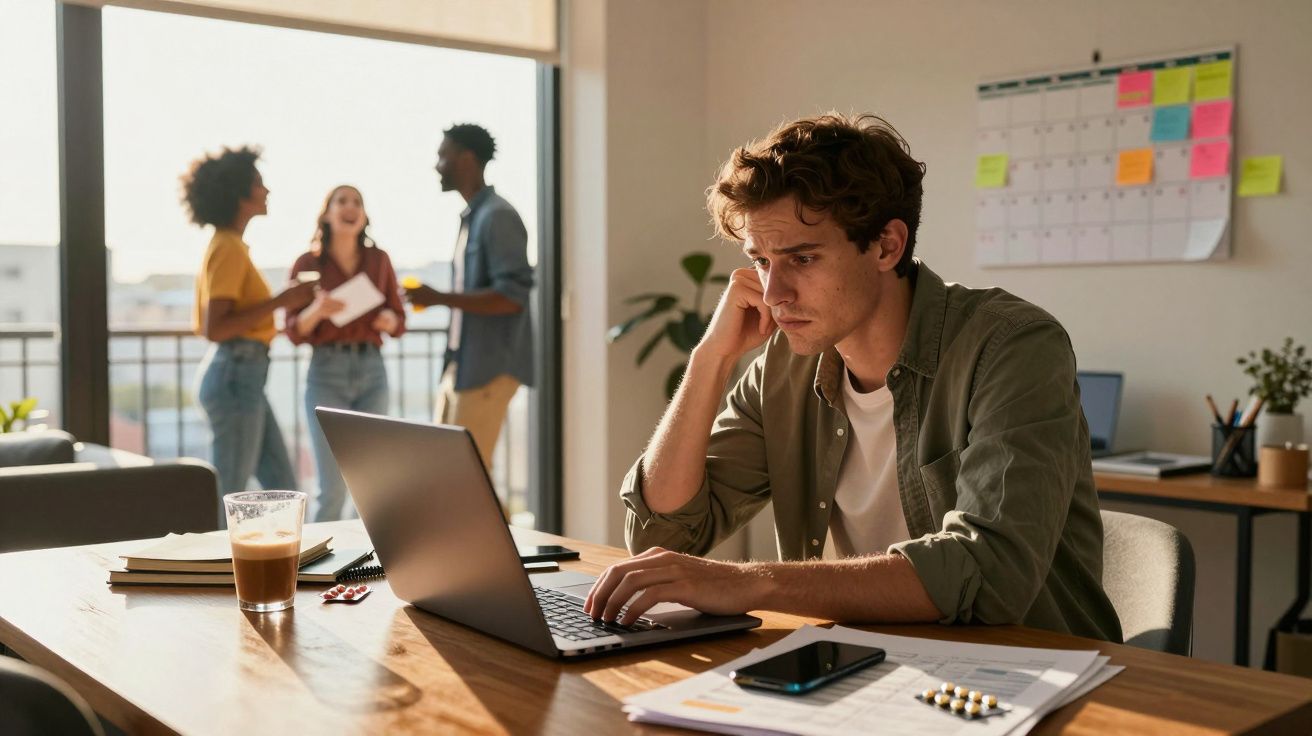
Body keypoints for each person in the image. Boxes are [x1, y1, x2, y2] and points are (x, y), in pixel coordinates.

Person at [583, 113, 1123, 643]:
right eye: (762, 261)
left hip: (1032, 677)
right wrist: (709, 360)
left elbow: (989, 571)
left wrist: (747, 581)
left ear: (887, 245)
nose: (773, 294)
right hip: (870, 666)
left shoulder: (1011, 345)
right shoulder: (783, 366)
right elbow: (662, 533)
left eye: (802, 257)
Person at [183, 146, 316, 517]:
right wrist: (282, 301)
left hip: (244, 378)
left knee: (283, 488)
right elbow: (217, 327)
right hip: (235, 377)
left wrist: (282, 301)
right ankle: (216, 569)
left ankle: (287, 569)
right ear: (240, 194)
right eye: (259, 184)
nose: (267, 191)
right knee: (230, 489)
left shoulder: (232, 245)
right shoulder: (227, 247)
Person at [404, 123, 534, 469]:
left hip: (489, 368)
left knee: (465, 474)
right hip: (463, 365)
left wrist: (440, 298)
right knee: (451, 471)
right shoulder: (474, 217)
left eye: (442, 156)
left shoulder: (497, 217)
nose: (437, 165)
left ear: (466, 159)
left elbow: (512, 297)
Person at [286, 185, 406, 522]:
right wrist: (318, 311)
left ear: (364, 216)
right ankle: (320, 572)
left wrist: (390, 319)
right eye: (342, 201)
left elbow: (399, 320)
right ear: (327, 213)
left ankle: (374, 567)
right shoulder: (307, 264)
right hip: (326, 372)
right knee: (332, 489)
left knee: (372, 484)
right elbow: (293, 331)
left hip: (372, 369)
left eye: (357, 202)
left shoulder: (378, 260)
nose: (350, 207)